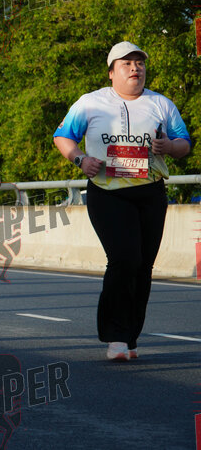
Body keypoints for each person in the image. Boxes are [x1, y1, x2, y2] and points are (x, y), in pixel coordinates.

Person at [53, 41, 191, 362]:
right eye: (126, 63)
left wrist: (169, 147)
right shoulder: (90, 103)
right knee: (124, 258)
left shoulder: (161, 104)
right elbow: (63, 136)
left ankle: (130, 336)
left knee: (143, 266)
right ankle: (115, 335)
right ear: (111, 72)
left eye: (139, 63)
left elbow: (184, 144)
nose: (134, 68)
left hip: (150, 192)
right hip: (107, 192)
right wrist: (80, 159)